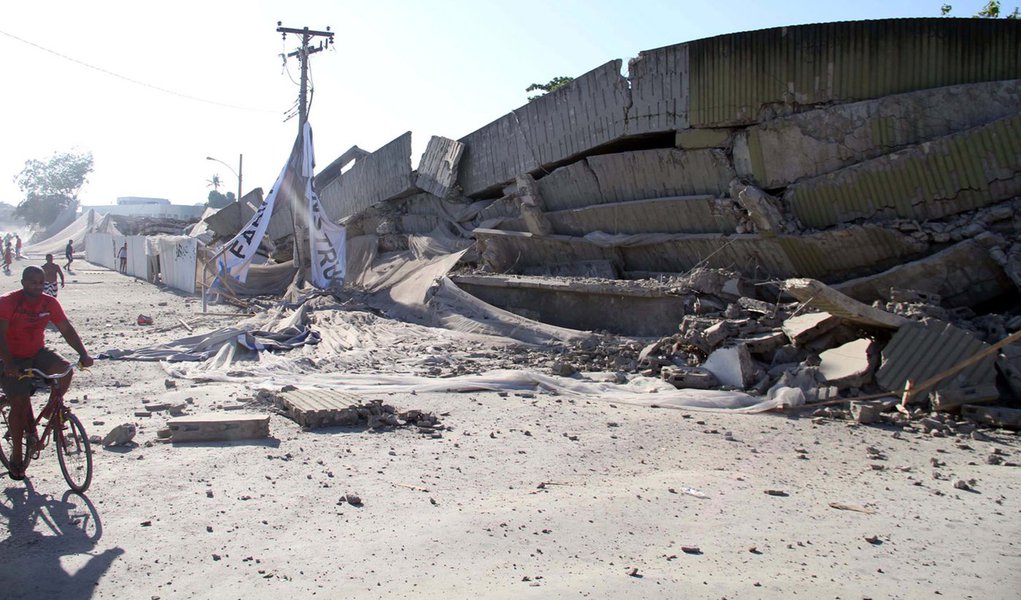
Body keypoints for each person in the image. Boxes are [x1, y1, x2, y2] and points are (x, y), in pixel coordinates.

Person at [0, 266, 93, 480]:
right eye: (33, 282)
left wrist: (83, 354)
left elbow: (66, 329)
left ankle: (53, 409)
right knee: (20, 401)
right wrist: (9, 363)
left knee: (65, 370)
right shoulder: (8, 302)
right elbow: (1, 334)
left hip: (36, 353)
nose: (38, 286)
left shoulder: (49, 303)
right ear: (23, 282)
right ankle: (16, 453)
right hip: (9, 358)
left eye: (41, 283)